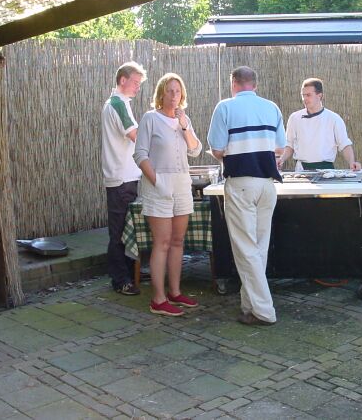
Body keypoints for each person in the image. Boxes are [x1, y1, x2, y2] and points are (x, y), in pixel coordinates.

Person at [207, 66, 285, 326]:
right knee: (258, 249)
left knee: (246, 250)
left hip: (241, 184)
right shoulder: (271, 108)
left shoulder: (225, 108)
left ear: (234, 83)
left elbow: (217, 149)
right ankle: (249, 306)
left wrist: (230, 150)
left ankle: (264, 311)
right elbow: (280, 148)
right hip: (267, 185)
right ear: (255, 84)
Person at [134, 73, 203, 317]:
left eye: (178, 91)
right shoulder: (150, 118)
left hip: (182, 184)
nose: (174, 96)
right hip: (158, 185)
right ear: (161, 93)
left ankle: (175, 292)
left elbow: (195, 150)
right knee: (161, 242)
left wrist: (184, 126)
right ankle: (158, 298)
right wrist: (157, 181)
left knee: (177, 241)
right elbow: (140, 155)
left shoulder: (184, 119)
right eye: (170, 91)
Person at [102, 61, 147, 296]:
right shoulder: (118, 104)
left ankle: (130, 274)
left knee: (126, 229)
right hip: (121, 178)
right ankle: (120, 280)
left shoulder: (120, 103)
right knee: (120, 232)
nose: (138, 87)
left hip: (124, 176)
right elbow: (135, 135)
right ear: (122, 80)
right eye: (135, 82)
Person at [276, 77, 362, 172]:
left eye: (308, 95)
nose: (305, 99)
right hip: (301, 171)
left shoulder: (333, 119)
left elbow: (344, 144)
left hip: (327, 171)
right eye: (303, 95)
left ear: (319, 96)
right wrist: (281, 159)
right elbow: (290, 145)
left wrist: (352, 162)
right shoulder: (294, 118)